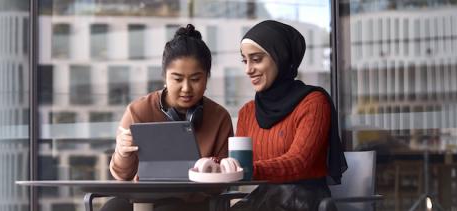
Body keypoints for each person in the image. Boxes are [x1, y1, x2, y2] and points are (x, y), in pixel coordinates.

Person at [102, 24, 234, 211]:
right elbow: (121, 176)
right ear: (164, 77)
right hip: (145, 199)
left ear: (207, 78)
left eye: (196, 79)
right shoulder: (138, 111)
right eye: (177, 79)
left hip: (196, 203)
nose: (187, 88)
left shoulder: (219, 117)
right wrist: (123, 153)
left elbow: (222, 184)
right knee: (112, 207)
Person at [231, 20, 347, 211]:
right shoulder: (247, 112)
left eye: (256, 59)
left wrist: (249, 169)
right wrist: (218, 165)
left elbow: (299, 162)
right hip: (266, 200)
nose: (248, 69)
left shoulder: (313, 102)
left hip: (305, 202)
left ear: (281, 57)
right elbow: (239, 164)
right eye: (245, 60)